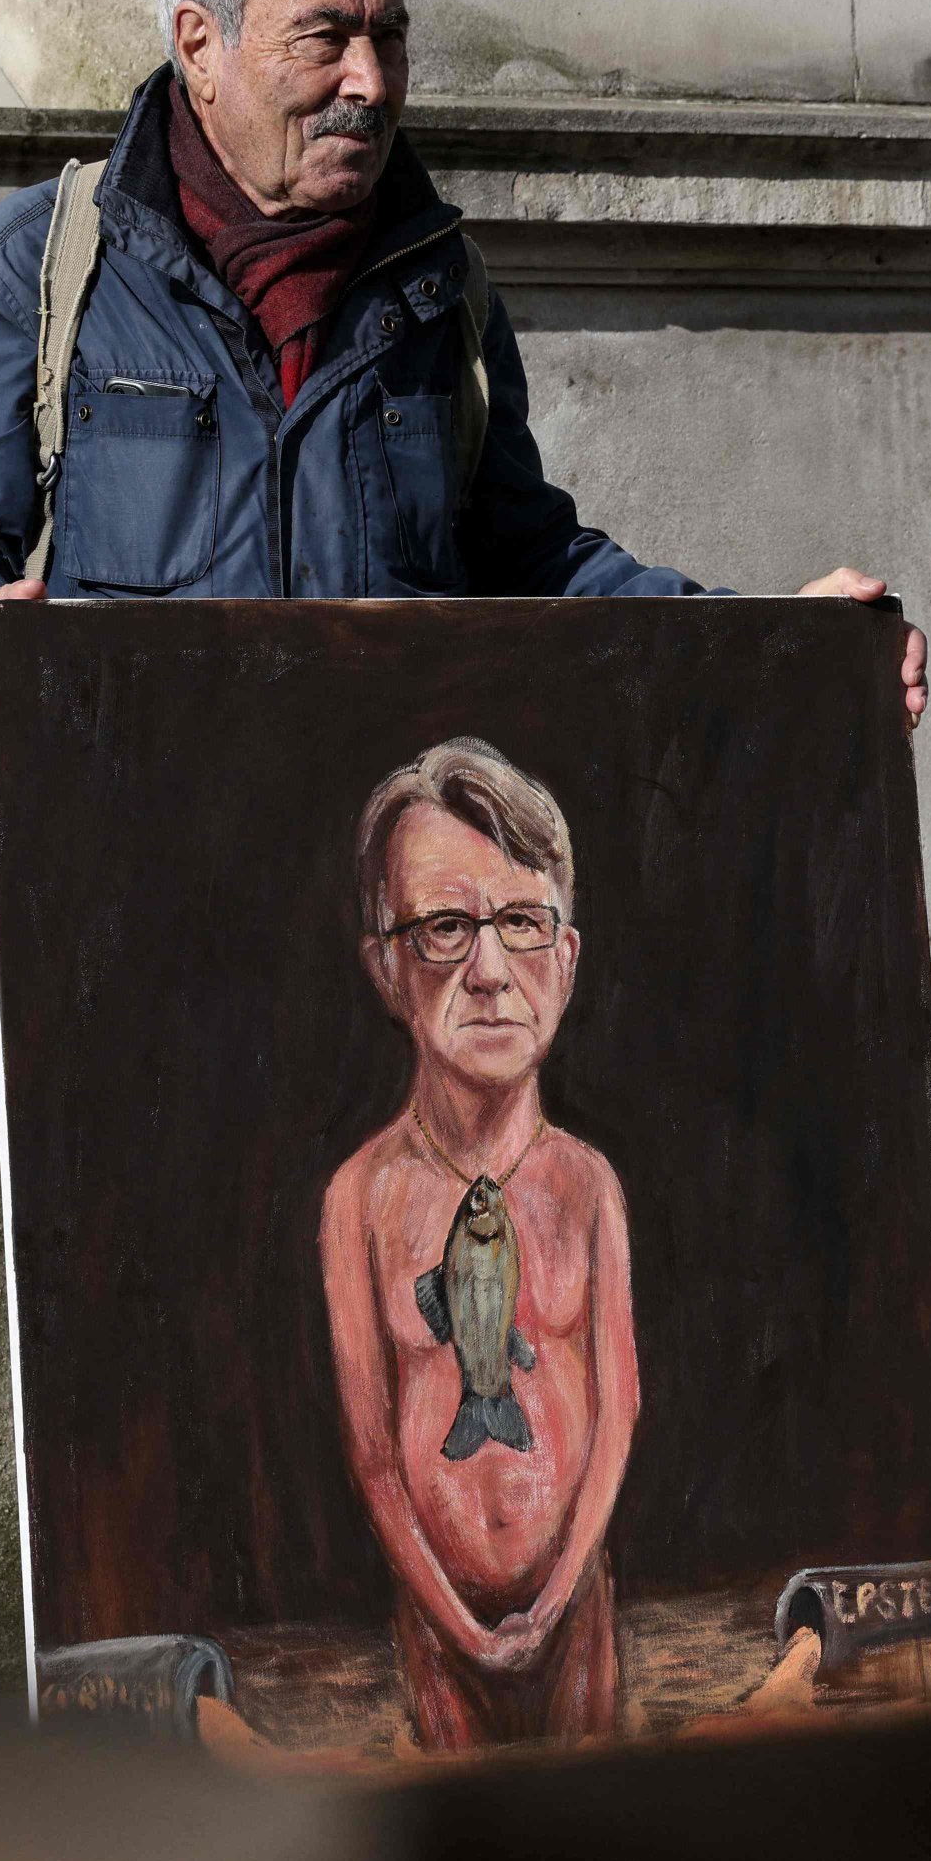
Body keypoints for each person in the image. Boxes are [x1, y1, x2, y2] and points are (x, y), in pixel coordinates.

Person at [0, 0, 928, 740]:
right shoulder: (41, 263)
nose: (371, 80)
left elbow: (530, 562)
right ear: (199, 45)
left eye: (390, 37)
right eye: (326, 38)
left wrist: (775, 639)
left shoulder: (440, 285)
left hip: (380, 891)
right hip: (120, 886)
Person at [315, 740, 639, 1753]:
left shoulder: (588, 1184)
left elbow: (621, 1400)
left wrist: (560, 1594)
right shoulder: (358, 1198)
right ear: (386, 963)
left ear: (568, 956)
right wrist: (457, 1624)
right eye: (447, 927)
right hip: (434, 1625)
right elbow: (371, 1451)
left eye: (521, 924)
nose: (491, 971)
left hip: (577, 1608)